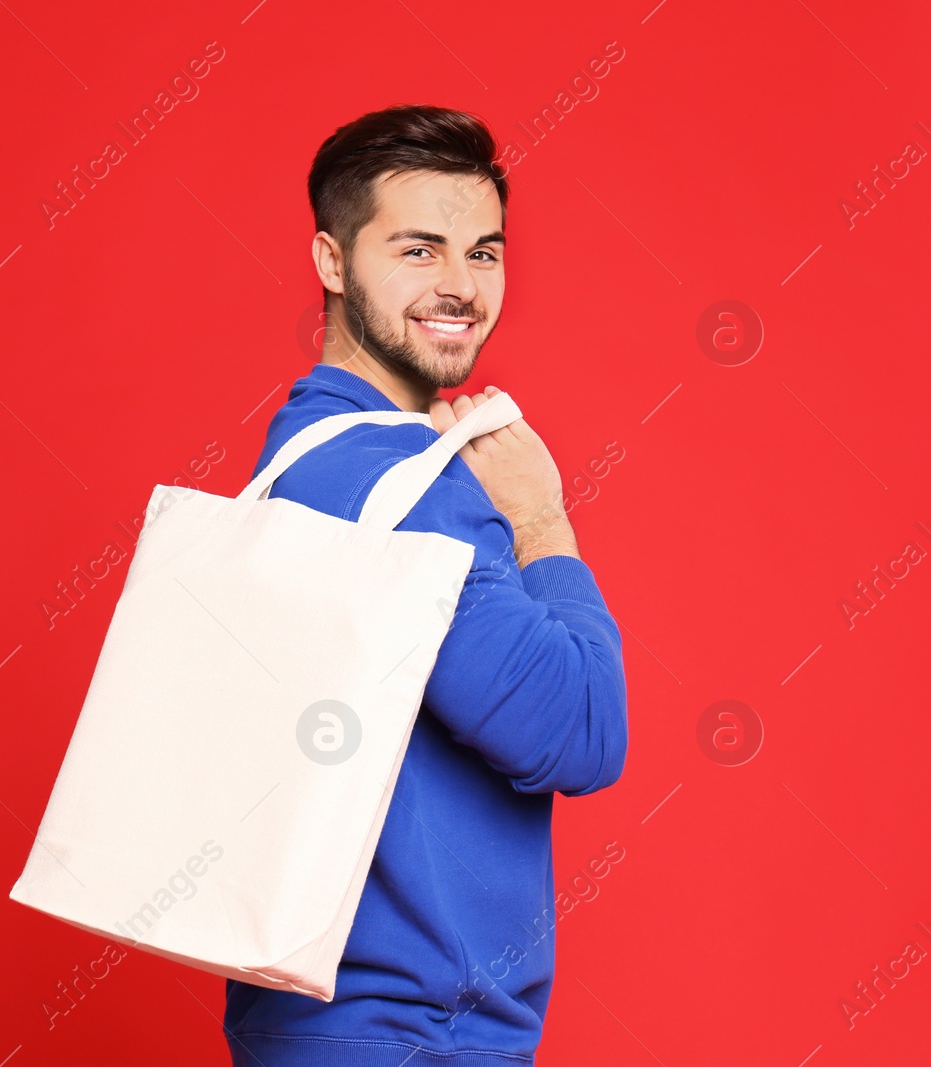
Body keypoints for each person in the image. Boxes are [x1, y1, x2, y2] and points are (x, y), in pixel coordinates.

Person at [223, 105, 628, 1066]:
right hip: (410, 1034)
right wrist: (540, 521)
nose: (459, 286)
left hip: (336, 1024)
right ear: (331, 261)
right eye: (419, 249)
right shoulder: (391, 482)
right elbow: (581, 731)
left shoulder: (307, 455)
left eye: (483, 253)